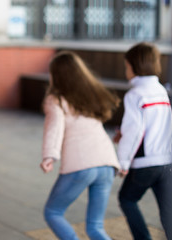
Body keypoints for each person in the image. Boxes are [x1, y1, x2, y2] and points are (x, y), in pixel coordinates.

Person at [40, 51, 121, 240]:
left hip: (82, 164)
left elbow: (55, 128)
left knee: (53, 212)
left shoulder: (56, 99)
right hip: (107, 163)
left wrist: (49, 156)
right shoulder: (91, 94)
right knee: (95, 227)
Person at [115, 42, 172, 240]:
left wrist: (122, 162)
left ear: (135, 66)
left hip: (145, 163)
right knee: (169, 212)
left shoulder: (135, 94)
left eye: (126, 66)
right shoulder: (161, 91)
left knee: (127, 199)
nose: (126, 71)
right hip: (166, 160)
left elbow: (134, 132)